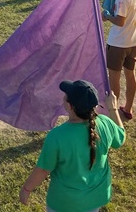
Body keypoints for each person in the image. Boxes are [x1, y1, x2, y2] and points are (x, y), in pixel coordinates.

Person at [20, 80, 125, 211]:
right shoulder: (105, 123)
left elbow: (43, 170)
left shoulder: (57, 136)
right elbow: (120, 138)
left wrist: (26, 189)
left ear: (69, 106)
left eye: (66, 96)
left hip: (65, 203)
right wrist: (113, 108)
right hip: (96, 198)